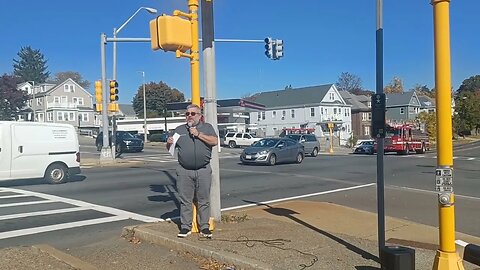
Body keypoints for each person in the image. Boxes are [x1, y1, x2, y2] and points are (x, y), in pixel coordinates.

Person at [166, 104, 218, 238]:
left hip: (203, 170)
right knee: (185, 200)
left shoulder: (207, 127)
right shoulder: (179, 130)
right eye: (187, 114)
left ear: (199, 116)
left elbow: (215, 141)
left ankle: (204, 227)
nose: (189, 116)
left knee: (203, 200)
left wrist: (198, 134)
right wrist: (169, 143)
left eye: (193, 113)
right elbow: (170, 148)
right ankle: (185, 227)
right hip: (184, 170)